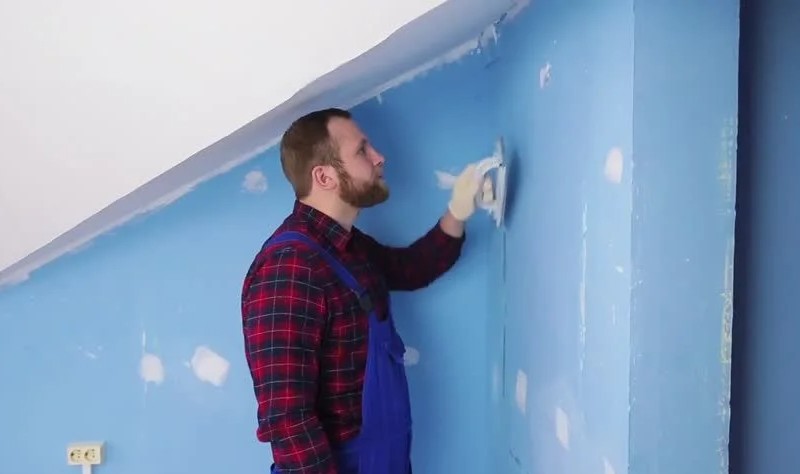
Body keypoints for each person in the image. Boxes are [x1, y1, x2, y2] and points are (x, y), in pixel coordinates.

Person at [240, 108, 485, 473]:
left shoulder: (348, 246)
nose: (379, 157)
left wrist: (458, 210)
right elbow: (288, 422)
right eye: (362, 150)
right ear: (323, 176)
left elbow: (410, 269)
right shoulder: (288, 269)